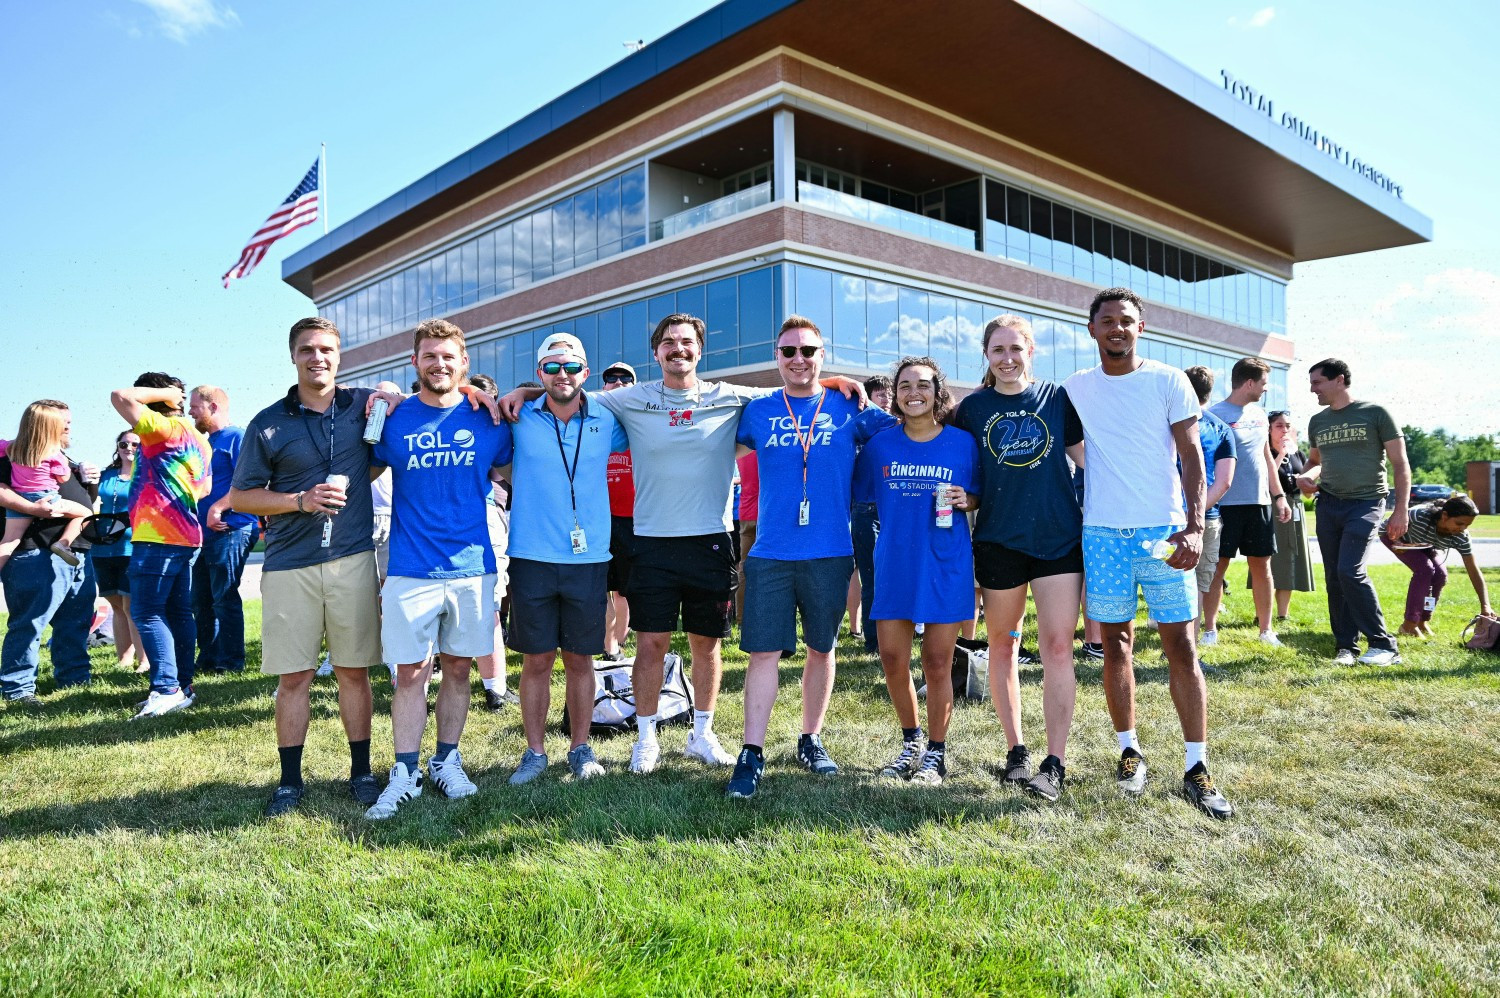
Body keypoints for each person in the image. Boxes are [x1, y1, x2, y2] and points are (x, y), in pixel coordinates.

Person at [497, 313, 864, 776]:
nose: (678, 349)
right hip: (650, 541)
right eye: (668, 342)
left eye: (686, 342)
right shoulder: (628, 400)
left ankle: (702, 733)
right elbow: (567, 392)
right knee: (650, 643)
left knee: (707, 645)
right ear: (656, 353)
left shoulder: (731, 397)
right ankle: (646, 737)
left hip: (710, 539)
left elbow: (793, 389)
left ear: (699, 350)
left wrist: (831, 379)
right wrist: (524, 391)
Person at [1063, 288, 1233, 820]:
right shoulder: (1074, 388)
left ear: (1142, 327)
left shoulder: (1168, 380)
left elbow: (1191, 455)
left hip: (1163, 534)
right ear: (1091, 329)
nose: (1117, 328)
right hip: (1103, 535)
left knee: (1181, 645)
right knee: (1114, 645)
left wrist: (1194, 528)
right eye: (1107, 321)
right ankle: (1128, 753)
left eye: (1127, 321)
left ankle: (1197, 767)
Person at [230, 317, 389, 816]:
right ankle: (289, 780)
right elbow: (240, 497)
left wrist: (390, 392)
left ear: (340, 356)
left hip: (353, 557)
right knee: (294, 677)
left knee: (353, 672)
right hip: (288, 564)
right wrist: (300, 500)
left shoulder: (365, 405)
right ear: (293, 356)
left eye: (326, 349)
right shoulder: (268, 421)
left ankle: (361, 771)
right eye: (306, 350)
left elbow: (420, 397)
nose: (317, 357)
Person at [726, 316, 886, 799]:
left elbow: (914, 427)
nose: (799, 359)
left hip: (831, 551)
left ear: (823, 355)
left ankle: (811, 738)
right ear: (776, 357)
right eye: (789, 351)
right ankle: (751, 752)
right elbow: (701, 398)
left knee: (822, 647)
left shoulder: (849, 405)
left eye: (809, 351)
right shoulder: (756, 410)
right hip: (770, 551)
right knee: (764, 652)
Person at [365, 319, 507, 820]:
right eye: (429, 356)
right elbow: (361, 451)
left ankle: (446, 759)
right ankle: (403, 771)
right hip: (410, 567)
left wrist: (498, 394)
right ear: (414, 363)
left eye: (449, 357)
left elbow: (517, 452)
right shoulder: (395, 419)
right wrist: (379, 395)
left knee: (460, 669)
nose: (439, 365)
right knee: (410, 673)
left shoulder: (488, 420)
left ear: (464, 363)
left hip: (472, 566)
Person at [953, 316, 1085, 801]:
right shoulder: (973, 408)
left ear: (1032, 351)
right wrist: (966, 497)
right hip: (999, 544)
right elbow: (958, 466)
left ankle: (1055, 762)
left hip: (1057, 544)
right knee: (1004, 647)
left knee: (1056, 649)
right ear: (986, 357)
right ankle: (1017, 751)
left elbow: (1091, 456)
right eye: (997, 351)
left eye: (1015, 348)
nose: (1007, 359)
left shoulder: (1056, 399)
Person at [498, 334, 628, 785]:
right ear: (539, 374)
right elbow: (475, 399)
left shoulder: (610, 419)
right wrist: (517, 394)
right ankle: (534, 752)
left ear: (585, 372)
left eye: (570, 366)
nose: (562, 375)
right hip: (531, 556)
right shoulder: (516, 416)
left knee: (580, 659)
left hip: (589, 558)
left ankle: (579, 747)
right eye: (551, 368)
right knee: (536, 660)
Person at [859, 356, 979, 787]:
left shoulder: (963, 444)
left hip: (945, 564)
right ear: (895, 394)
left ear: (937, 392)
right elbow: (857, 491)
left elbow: (978, 495)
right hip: (895, 563)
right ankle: (911, 741)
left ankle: (936, 751)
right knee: (892, 658)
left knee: (936, 662)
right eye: (905, 385)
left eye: (923, 385)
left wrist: (968, 499)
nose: (914, 393)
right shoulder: (880, 446)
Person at [110, 373, 212, 720]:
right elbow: (205, 487)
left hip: (159, 537)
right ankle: (183, 687)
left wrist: (168, 394)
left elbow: (120, 395)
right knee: (178, 612)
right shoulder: (198, 438)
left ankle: (166, 688)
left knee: (147, 612)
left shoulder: (160, 428)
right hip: (185, 535)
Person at [1295, 358, 1410, 666]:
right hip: (1330, 504)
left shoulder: (1375, 413)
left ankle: (1384, 645)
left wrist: (1401, 510)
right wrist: (1309, 476)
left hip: (1367, 502)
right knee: (1335, 576)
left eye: (1317, 382)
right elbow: (1316, 461)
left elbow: (1400, 464)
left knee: (1350, 570)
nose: (1312, 389)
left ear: (1340, 380)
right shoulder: (1318, 421)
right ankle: (1346, 646)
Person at [0, 406, 99, 704]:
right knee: (31, 623)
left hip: (76, 551)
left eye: (70, 420)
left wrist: (89, 480)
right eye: (63, 422)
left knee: (76, 621)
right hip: (37, 552)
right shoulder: (13, 453)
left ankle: (74, 681)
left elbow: (87, 502)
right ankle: (18, 690)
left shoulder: (64, 456)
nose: (69, 426)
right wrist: (33, 509)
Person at [1202, 358, 1293, 646]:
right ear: (1250, 382)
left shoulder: (1260, 414)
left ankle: (1266, 630)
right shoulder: (1214, 415)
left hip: (1259, 504)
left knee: (1262, 566)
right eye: (1264, 383)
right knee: (1218, 567)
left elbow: (1266, 458)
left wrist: (1278, 496)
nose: (1266, 389)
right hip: (1224, 505)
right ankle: (1209, 630)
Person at [188, 385, 259, 674]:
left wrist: (219, 507)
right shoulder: (205, 442)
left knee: (224, 596)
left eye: (195, 406)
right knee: (200, 600)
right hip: (203, 534)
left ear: (213, 407)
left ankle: (231, 662)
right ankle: (209, 658)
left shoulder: (237, 437)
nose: (190, 411)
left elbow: (252, 479)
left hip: (232, 527)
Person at [466, 373, 516, 710]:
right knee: (489, 607)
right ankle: (494, 689)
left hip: (485, 516)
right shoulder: (488, 423)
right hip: (482, 518)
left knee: (488, 607)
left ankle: (494, 688)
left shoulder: (489, 421)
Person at [0, 402, 95, 572]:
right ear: (51, 427)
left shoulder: (12, 447)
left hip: (22, 495)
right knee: (86, 513)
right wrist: (68, 468)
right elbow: (63, 478)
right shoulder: (53, 453)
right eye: (62, 423)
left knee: (8, 541)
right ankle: (63, 543)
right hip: (48, 501)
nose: (67, 428)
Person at [1381, 495, 1490, 637]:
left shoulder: (1461, 537)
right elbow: (1390, 525)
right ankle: (1409, 625)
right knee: (1425, 570)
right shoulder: (1418, 515)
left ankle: (1422, 621)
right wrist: (1397, 541)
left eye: (1467, 525)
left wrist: (1485, 605)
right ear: (1445, 516)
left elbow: (1474, 570)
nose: (1462, 529)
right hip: (1393, 535)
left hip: (1423, 544)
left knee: (1440, 575)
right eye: (1459, 523)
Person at [1182, 367, 1237, 643]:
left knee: (1172, 581)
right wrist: (1197, 511)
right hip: (1207, 516)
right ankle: (1189, 645)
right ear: (1209, 392)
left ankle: (1177, 644)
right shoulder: (1222, 428)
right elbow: (1224, 481)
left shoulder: (1167, 422)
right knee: (1200, 584)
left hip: (1168, 515)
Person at [91, 430, 148, 672]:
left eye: (135, 444)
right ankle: (124, 659)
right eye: (124, 443)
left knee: (131, 605)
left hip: (132, 546)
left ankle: (145, 660)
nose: (129, 447)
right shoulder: (106, 475)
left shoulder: (147, 474)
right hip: (102, 549)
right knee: (115, 604)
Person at [851, 375, 892, 655]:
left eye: (889, 394)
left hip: (893, 512)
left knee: (893, 577)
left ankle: (897, 635)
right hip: (866, 511)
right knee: (872, 579)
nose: (886, 398)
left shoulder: (899, 427)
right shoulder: (862, 425)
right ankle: (873, 641)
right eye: (880, 394)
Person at [600, 360, 636, 661]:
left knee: (624, 591)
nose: (619, 382)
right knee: (601, 588)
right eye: (612, 378)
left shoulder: (642, 421)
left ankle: (619, 644)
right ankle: (609, 647)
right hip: (598, 519)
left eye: (626, 378)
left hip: (634, 520)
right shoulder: (592, 418)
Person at [1266, 410, 1315, 618]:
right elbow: (1266, 478)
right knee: (1269, 560)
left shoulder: (1299, 454)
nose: (1284, 430)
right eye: (1279, 426)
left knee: (1291, 560)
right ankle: (1264, 612)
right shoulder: (1265, 451)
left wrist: (1307, 483)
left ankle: (1283, 614)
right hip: (1271, 509)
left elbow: (1307, 493)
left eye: (1287, 426)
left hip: (1294, 508)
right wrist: (1281, 455)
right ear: (1268, 430)